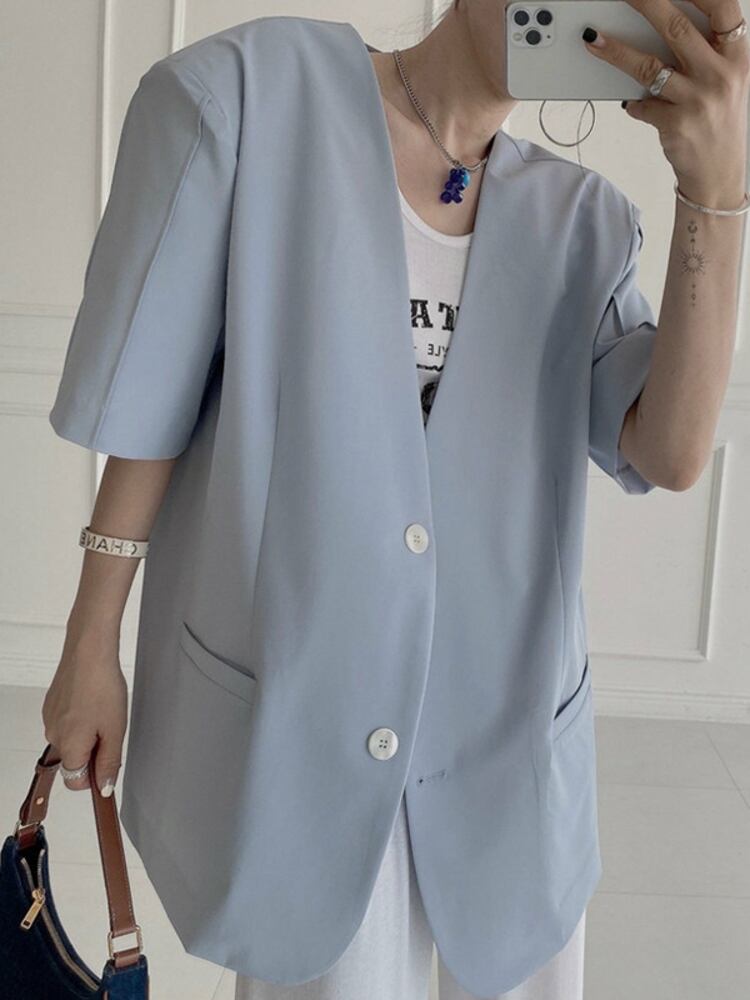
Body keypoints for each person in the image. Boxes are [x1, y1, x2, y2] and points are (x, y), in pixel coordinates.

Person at [43, 1, 749, 998]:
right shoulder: (252, 98)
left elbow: (669, 453)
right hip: (307, 729)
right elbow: (150, 401)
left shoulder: (581, 223)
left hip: (509, 743)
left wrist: (716, 195)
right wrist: (89, 644)